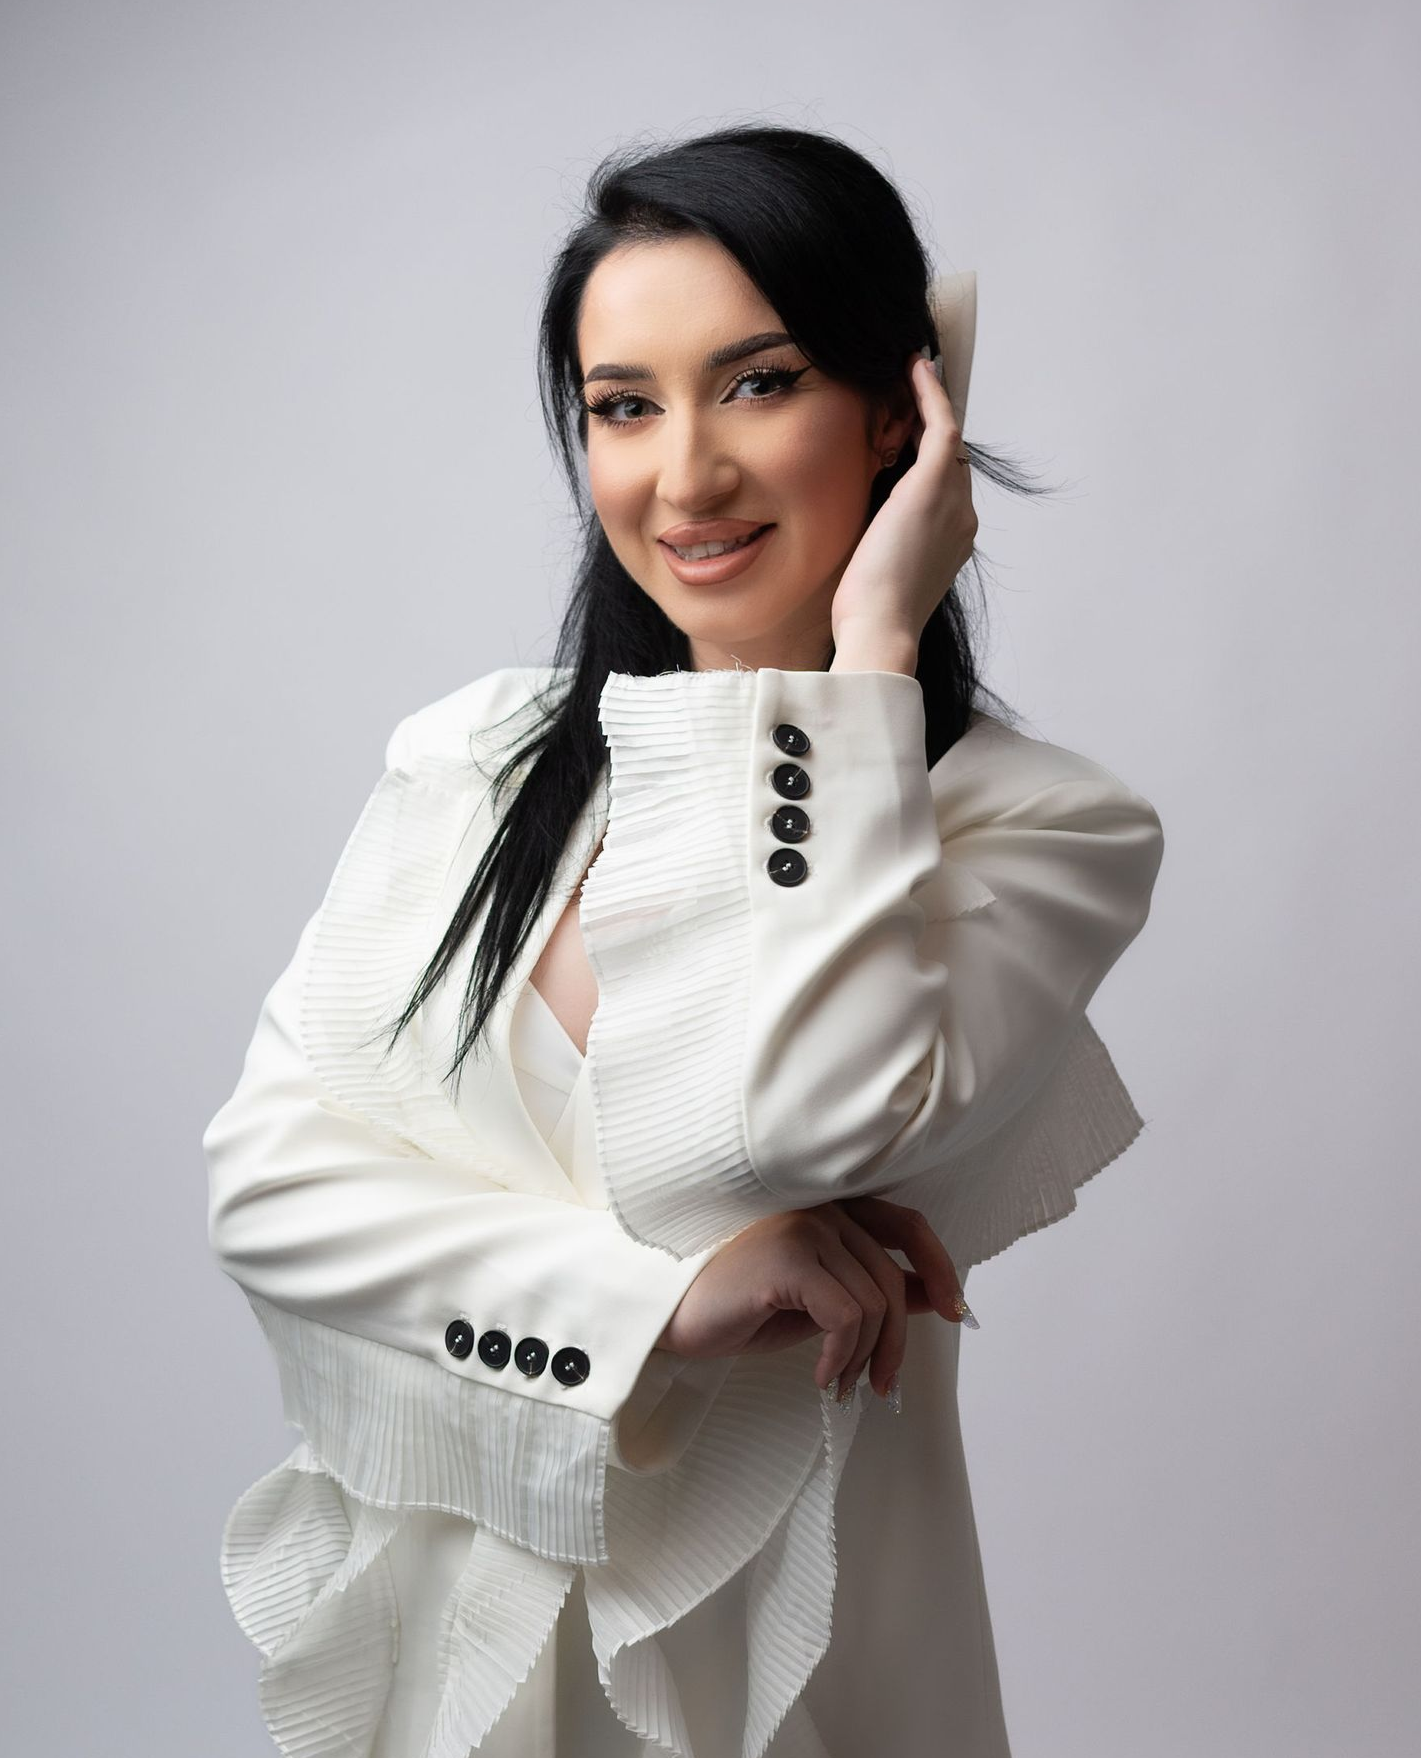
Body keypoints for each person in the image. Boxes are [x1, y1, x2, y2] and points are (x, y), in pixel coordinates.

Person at [203, 124, 1165, 1758]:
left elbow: (800, 1115)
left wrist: (863, 659)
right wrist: (662, 1303)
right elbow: (271, 1188)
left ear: (898, 416)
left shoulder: (1041, 827)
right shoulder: (475, 760)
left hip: (785, 1664)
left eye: (759, 382)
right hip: (458, 1659)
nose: (686, 475)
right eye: (624, 406)